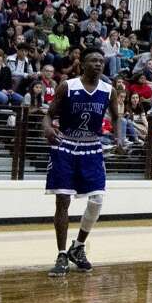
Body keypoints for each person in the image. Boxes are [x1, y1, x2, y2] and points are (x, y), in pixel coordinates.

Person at [43, 49, 120, 277]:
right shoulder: (68, 86)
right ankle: (61, 254)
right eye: (93, 61)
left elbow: (117, 117)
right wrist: (47, 128)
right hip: (65, 144)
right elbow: (48, 114)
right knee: (63, 200)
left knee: (97, 199)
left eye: (101, 61)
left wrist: (119, 136)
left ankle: (78, 247)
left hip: (92, 146)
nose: (98, 64)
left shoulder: (109, 90)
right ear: (82, 64)